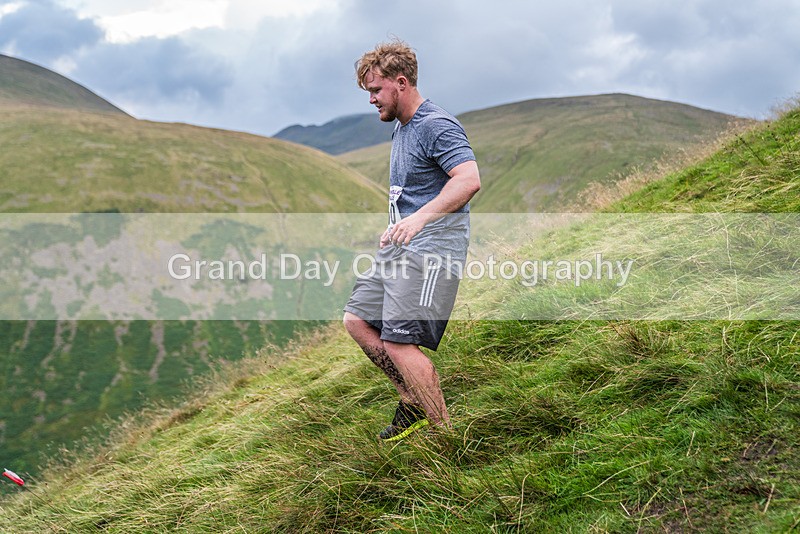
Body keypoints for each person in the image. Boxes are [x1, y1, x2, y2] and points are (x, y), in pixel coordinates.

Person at [343, 39, 481, 441]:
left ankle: (446, 438)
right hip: (401, 250)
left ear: (400, 82)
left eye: (375, 90)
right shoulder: (403, 130)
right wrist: (397, 225)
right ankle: (411, 399)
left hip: (432, 253)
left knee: (400, 343)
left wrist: (419, 221)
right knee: (357, 321)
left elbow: (469, 180)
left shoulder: (435, 125)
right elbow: (415, 193)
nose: (371, 99)